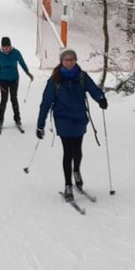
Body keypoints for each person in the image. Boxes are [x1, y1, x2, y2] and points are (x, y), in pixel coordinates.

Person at [35, 48, 107, 199]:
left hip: (79, 117)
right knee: (68, 151)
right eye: (66, 60)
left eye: (71, 59)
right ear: (62, 62)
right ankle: (68, 184)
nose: (69, 62)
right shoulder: (55, 80)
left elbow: (93, 89)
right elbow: (46, 103)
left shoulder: (81, 76)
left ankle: (77, 171)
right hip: (63, 118)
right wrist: (40, 124)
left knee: (77, 149)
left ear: (75, 61)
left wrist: (101, 98)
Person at [0, 36, 33, 132]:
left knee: (14, 98)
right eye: (4, 47)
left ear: (10, 45)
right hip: (3, 80)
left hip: (14, 79)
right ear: (1, 46)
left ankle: (17, 119)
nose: (6, 49)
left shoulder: (16, 53)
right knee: (4, 99)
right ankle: (0, 120)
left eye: (7, 47)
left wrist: (28, 73)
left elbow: (22, 63)